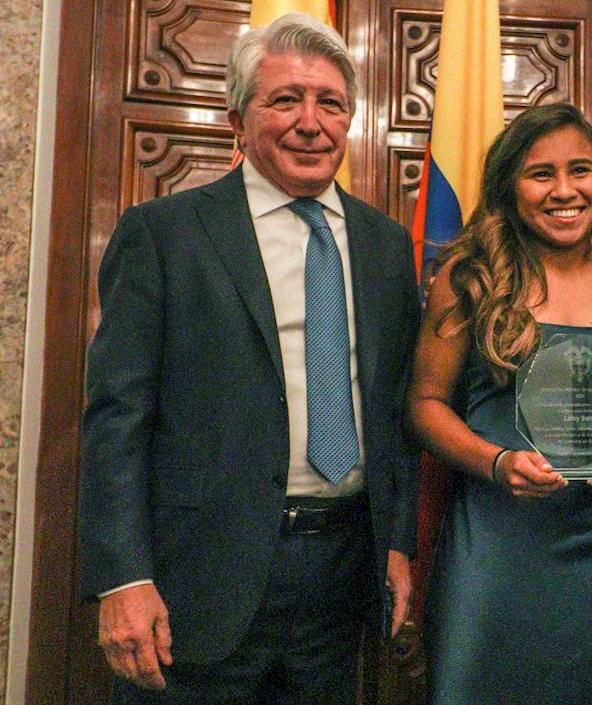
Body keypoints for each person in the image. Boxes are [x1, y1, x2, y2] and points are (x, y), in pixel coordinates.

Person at [77, 13, 421, 704]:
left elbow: (392, 410)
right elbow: (117, 419)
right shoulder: (165, 234)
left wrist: (398, 540)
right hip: (192, 585)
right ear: (237, 118)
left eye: (330, 103)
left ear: (350, 120)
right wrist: (121, 577)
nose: (311, 121)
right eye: (285, 99)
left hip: (339, 578)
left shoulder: (384, 247)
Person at [408, 102, 592, 704]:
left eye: (581, 170)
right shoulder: (468, 276)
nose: (564, 190)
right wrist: (496, 461)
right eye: (540, 173)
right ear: (511, 188)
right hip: (491, 553)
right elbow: (423, 405)